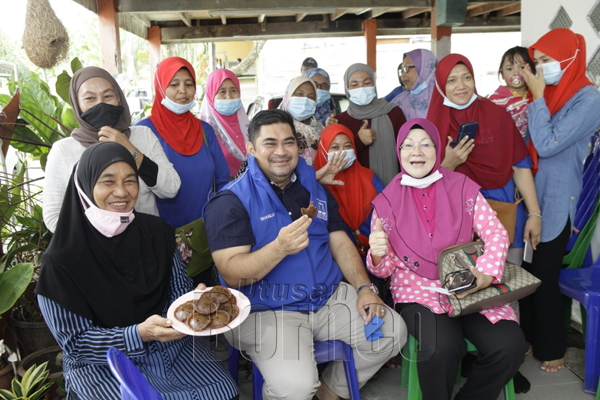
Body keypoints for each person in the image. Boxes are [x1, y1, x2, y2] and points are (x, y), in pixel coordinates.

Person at [204, 109, 406, 400]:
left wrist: (364, 288)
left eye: (289, 142)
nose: (282, 152)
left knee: (390, 333)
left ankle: (330, 390)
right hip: (267, 311)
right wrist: (278, 248)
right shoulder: (230, 201)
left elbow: (339, 241)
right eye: (270, 143)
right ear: (250, 149)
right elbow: (232, 274)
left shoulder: (313, 186)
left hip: (328, 299)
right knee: (296, 386)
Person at [36, 142, 239, 400]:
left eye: (130, 180)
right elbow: (77, 343)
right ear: (85, 186)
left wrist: (192, 302)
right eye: (108, 182)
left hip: (173, 348)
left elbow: (178, 292)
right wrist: (138, 334)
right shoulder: (61, 261)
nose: (121, 192)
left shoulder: (155, 232)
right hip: (104, 364)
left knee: (223, 391)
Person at [368, 118, 528, 400]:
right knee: (441, 348)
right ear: (399, 150)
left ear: (438, 149)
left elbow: (496, 234)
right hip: (419, 292)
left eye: (425, 144)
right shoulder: (386, 202)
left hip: (471, 286)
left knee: (510, 345)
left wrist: (486, 274)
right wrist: (378, 254)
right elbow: (384, 271)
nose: (416, 152)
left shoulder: (462, 187)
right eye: (408, 145)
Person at [519, 28, 600, 373]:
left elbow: (549, 143)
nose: (541, 69)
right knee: (526, 273)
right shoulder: (551, 93)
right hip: (531, 198)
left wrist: (537, 98)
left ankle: (554, 345)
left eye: (547, 61)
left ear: (570, 59)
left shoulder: (588, 99)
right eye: (536, 62)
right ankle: (530, 338)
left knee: (545, 276)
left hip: (557, 199)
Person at [427, 54, 541, 267]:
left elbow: (520, 166)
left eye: (466, 77)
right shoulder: (431, 126)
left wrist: (535, 214)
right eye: (452, 80)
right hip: (457, 218)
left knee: (508, 286)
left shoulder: (497, 115)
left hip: (503, 211)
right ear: (441, 85)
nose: (461, 86)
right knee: (465, 289)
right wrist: (449, 163)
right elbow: (423, 186)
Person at [43, 66, 180, 233]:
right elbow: (53, 216)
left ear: (119, 98)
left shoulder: (143, 136)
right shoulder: (64, 151)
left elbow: (171, 189)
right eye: (90, 98)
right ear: (77, 104)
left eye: (108, 96)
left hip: (146, 246)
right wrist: (100, 242)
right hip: (94, 255)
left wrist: (130, 149)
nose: (100, 104)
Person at [136, 57, 229, 282]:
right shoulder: (142, 133)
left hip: (204, 237)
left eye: (189, 84)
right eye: (174, 84)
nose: (183, 91)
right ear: (160, 87)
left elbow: (223, 181)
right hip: (159, 240)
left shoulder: (205, 131)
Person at [313, 123, 384, 256]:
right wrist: (315, 183)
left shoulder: (370, 178)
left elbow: (389, 213)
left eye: (347, 146)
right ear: (323, 150)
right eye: (335, 147)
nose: (342, 151)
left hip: (376, 254)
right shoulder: (314, 186)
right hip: (337, 259)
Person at [335, 63, 407, 185]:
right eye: (354, 85)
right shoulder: (340, 121)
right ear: (347, 89)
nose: (361, 87)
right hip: (356, 189)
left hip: (393, 187)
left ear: (374, 84)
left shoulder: (393, 113)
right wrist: (358, 141)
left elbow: (405, 151)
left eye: (367, 83)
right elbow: (338, 161)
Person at [489, 47, 539, 175]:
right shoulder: (496, 100)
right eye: (509, 69)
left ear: (532, 69)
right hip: (509, 158)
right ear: (502, 73)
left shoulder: (536, 95)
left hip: (533, 155)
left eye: (522, 67)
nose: (516, 73)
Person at [200, 69, 249, 177]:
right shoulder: (203, 132)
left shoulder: (248, 126)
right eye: (222, 91)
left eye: (233, 90)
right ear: (211, 95)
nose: (229, 97)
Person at [390, 49, 437, 120]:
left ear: (423, 69)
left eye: (406, 68)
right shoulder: (399, 103)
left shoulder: (445, 100)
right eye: (402, 70)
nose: (402, 75)